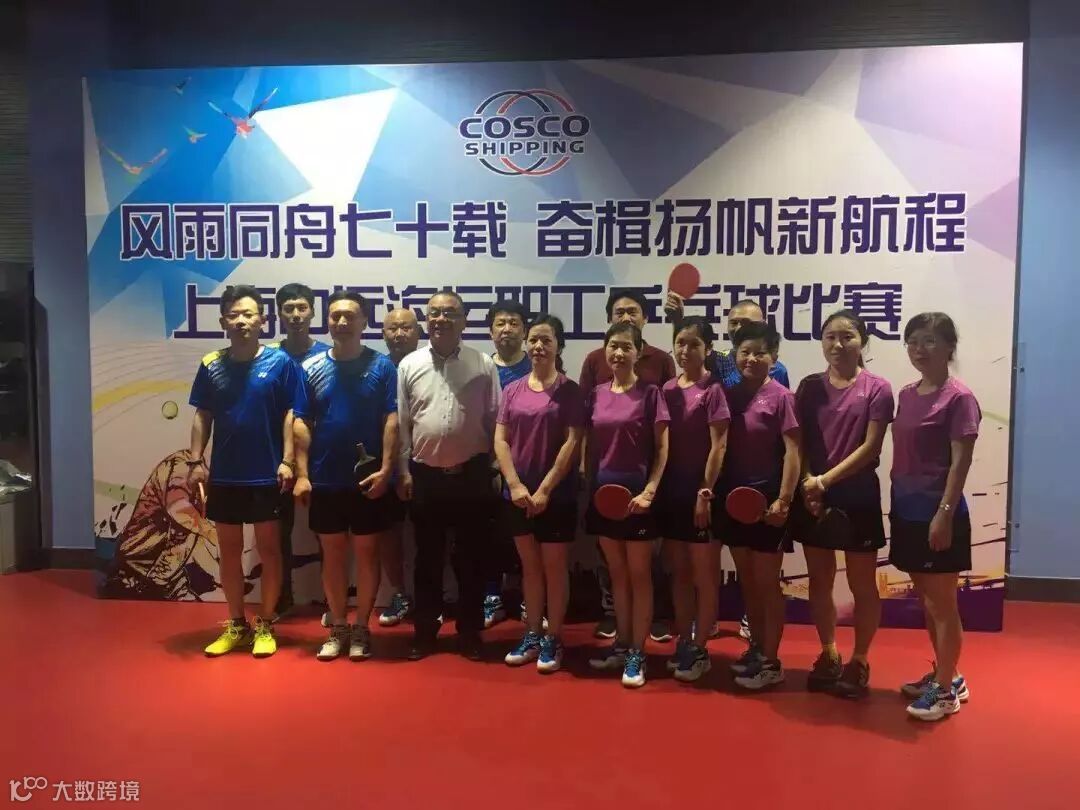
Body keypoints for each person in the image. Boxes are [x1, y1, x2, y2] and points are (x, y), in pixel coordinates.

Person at [665, 293, 790, 642]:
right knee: (724, 568)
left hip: (760, 485)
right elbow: (691, 350)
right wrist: (678, 319)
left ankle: (763, 648)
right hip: (724, 483)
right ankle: (711, 631)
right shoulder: (722, 363)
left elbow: (784, 437)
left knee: (760, 576)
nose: (739, 329)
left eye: (747, 324)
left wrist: (783, 495)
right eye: (734, 323)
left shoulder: (776, 374)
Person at [190, 285, 301, 658]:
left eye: (249, 314)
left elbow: (291, 413)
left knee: (270, 550)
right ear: (223, 321)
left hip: (267, 474)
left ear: (262, 320)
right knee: (229, 551)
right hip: (225, 475)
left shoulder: (281, 363)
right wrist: (196, 461)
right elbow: (202, 414)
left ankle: (266, 623)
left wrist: (288, 460)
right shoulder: (211, 364)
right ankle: (237, 623)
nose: (241, 321)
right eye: (234, 315)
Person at [791, 310, 894, 698]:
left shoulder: (878, 388)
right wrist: (807, 482)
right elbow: (798, 440)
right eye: (830, 336)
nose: (838, 344)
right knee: (820, 580)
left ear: (862, 341)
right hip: (812, 494)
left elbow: (871, 447)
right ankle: (829, 652)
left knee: (862, 584)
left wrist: (823, 481)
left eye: (847, 336)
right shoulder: (808, 387)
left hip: (857, 496)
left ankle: (860, 659)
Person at [292, 291, 398, 661]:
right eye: (335, 316)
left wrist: (387, 470)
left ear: (364, 321)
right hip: (325, 479)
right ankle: (338, 626)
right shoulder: (311, 368)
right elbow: (301, 422)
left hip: (369, 481)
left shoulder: (383, 367)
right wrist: (302, 474)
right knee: (333, 556)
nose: (341, 322)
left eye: (349, 316)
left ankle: (362, 627)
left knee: (367, 554)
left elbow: (392, 420)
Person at [397, 291, 502, 661]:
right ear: (426, 319)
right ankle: (425, 632)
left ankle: (470, 633)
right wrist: (403, 471)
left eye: (450, 313)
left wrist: (494, 468)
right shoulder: (409, 364)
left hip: (471, 475)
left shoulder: (482, 363)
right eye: (435, 313)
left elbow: (496, 419)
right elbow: (404, 423)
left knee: (472, 559)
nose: (441, 319)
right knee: (427, 560)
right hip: (425, 476)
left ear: (464, 320)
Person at [889, 312, 980, 721]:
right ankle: (948, 674)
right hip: (907, 511)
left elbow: (961, 463)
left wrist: (943, 514)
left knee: (943, 605)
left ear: (948, 347)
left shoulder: (959, 398)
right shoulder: (907, 394)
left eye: (928, 341)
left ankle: (944, 692)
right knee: (928, 602)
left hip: (939, 514)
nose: (919, 349)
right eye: (912, 342)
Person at [580, 288, 677, 642]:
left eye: (626, 347)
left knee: (640, 573)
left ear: (639, 352)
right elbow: (586, 437)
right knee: (617, 573)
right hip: (603, 492)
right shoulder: (596, 392)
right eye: (613, 346)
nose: (619, 353)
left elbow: (663, 445)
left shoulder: (652, 392)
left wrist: (651, 489)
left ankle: (638, 648)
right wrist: (586, 478)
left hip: (640, 495)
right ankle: (622, 642)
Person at [494, 315, 584, 673]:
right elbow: (501, 440)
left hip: (556, 497)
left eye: (546, 340)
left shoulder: (570, 391)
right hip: (517, 496)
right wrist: (515, 485)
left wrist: (545, 489)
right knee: (530, 569)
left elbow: (572, 442)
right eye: (533, 339)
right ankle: (532, 633)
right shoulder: (512, 390)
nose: (538, 346)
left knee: (554, 569)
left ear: (559, 345)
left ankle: (554, 637)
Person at [717, 321, 800, 690]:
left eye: (760, 353)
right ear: (735, 355)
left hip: (769, 502)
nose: (751, 358)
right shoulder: (728, 394)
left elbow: (794, 452)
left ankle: (771, 660)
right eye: (744, 352)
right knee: (748, 582)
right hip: (735, 501)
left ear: (774, 357)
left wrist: (784, 499)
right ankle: (756, 650)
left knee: (767, 584)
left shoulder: (782, 397)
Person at [658, 317, 730, 683]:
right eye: (680, 343)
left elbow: (720, 445)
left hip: (702, 497)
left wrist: (705, 492)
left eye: (694, 344)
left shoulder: (714, 390)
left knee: (704, 577)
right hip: (671, 494)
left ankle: (701, 648)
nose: (685, 350)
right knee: (681, 575)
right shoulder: (668, 388)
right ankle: (684, 642)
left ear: (708, 349)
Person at [269, 282, 327, 619]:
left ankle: (331, 599)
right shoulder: (269, 357)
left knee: (327, 531)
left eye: (302, 308)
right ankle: (281, 597)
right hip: (277, 458)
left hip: (321, 455)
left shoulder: (327, 355)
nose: (295, 315)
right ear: (279, 314)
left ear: (312, 312)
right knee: (278, 531)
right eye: (288, 309)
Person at [484, 300, 533, 629]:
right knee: (489, 537)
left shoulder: (537, 366)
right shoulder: (481, 369)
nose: (507, 329)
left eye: (514, 323)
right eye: (500, 323)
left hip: (527, 469)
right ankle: (492, 597)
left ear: (524, 330)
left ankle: (532, 599)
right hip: (487, 468)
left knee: (528, 539)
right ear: (490, 331)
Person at [376, 306, 422, 627]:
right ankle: (400, 594)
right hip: (386, 469)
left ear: (418, 332)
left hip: (425, 465)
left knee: (431, 536)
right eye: (392, 328)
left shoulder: (433, 365)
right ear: (383, 334)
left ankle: (433, 596)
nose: (399, 334)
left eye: (406, 328)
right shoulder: (377, 369)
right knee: (388, 535)